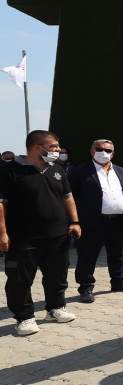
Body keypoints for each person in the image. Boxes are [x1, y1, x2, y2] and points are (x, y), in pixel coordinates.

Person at [0, 130, 80, 336]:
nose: (58, 150)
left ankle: (55, 308)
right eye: (53, 146)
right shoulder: (9, 170)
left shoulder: (57, 169)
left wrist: (75, 222)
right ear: (37, 147)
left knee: (57, 275)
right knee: (20, 279)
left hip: (57, 236)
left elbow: (68, 197)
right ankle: (24, 317)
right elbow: (1, 204)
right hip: (23, 238)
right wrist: (3, 233)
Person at [69, 139, 123, 303]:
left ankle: (118, 281)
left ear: (113, 153)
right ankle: (85, 287)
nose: (103, 152)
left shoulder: (121, 171)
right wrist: (74, 220)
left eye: (108, 150)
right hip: (92, 221)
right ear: (92, 151)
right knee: (88, 255)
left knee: (118, 253)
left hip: (118, 220)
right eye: (99, 149)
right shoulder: (79, 171)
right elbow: (70, 196)